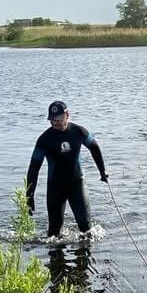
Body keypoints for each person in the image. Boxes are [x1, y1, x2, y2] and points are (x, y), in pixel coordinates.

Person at [26, 100, 108, 238]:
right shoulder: (44, 140)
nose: (54, 123)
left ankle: (84, 256)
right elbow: (34, 168)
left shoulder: (79, 132)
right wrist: (29, 194)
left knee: (86, 229)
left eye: (57, 119)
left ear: (67, 115)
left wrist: (102, 172)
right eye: (51, 119)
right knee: (53, 234)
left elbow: (94, 147)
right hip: (55, 187)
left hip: (77, 184)